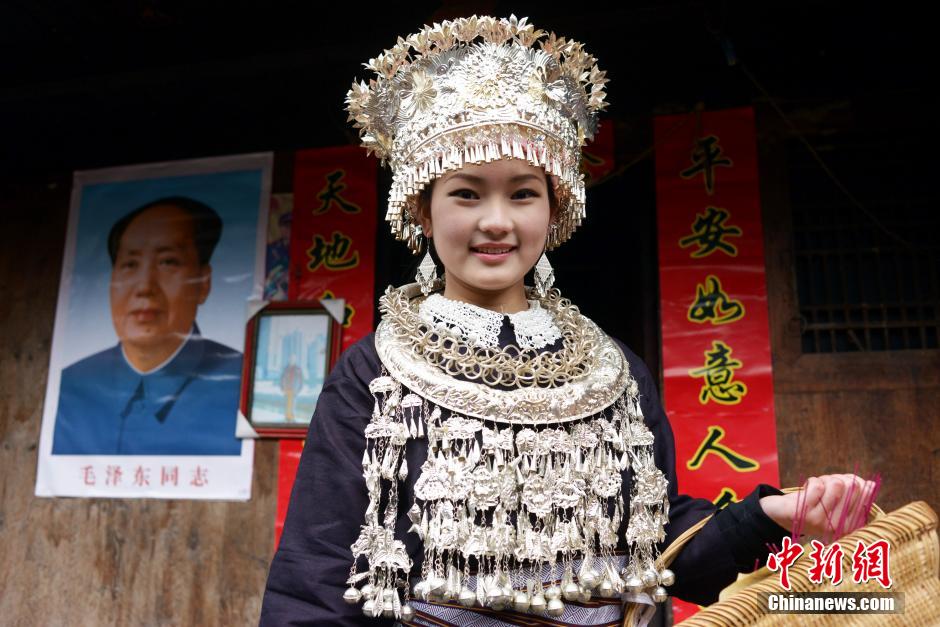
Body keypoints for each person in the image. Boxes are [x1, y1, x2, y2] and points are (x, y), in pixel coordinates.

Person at [261, 16, 873, 626]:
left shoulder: (613, 371)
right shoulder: (373, 374)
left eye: (523, 193)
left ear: (556, 211)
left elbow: (654, 544)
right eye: (467, 194)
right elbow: (315, 575)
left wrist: (766, 517)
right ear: (421, 209)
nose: (497, 221)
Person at [52, 196, 243, 456]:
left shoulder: (239, 385)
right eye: (130, 264)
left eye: (168, 262)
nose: (144, 287)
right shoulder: (71, 385)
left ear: (204, 283)